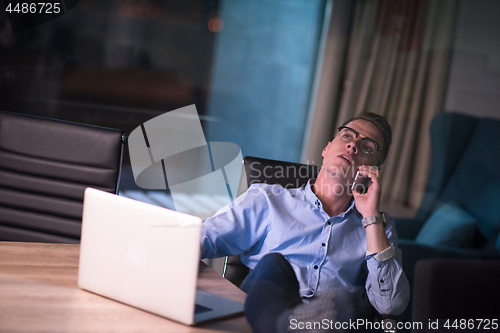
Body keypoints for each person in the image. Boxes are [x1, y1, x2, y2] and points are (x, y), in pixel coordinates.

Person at [200, 113, 410, 332]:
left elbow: (391, 306)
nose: (353, 145)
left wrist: (371, 218)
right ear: (326, 149)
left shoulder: (378, 226)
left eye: (367, 147)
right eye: (347, 135)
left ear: (373, 172)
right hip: (263, 309)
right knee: (273, 265)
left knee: (344, 304)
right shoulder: (267, 199)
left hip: (328, 323)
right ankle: (284, 321)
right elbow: (203, 238)